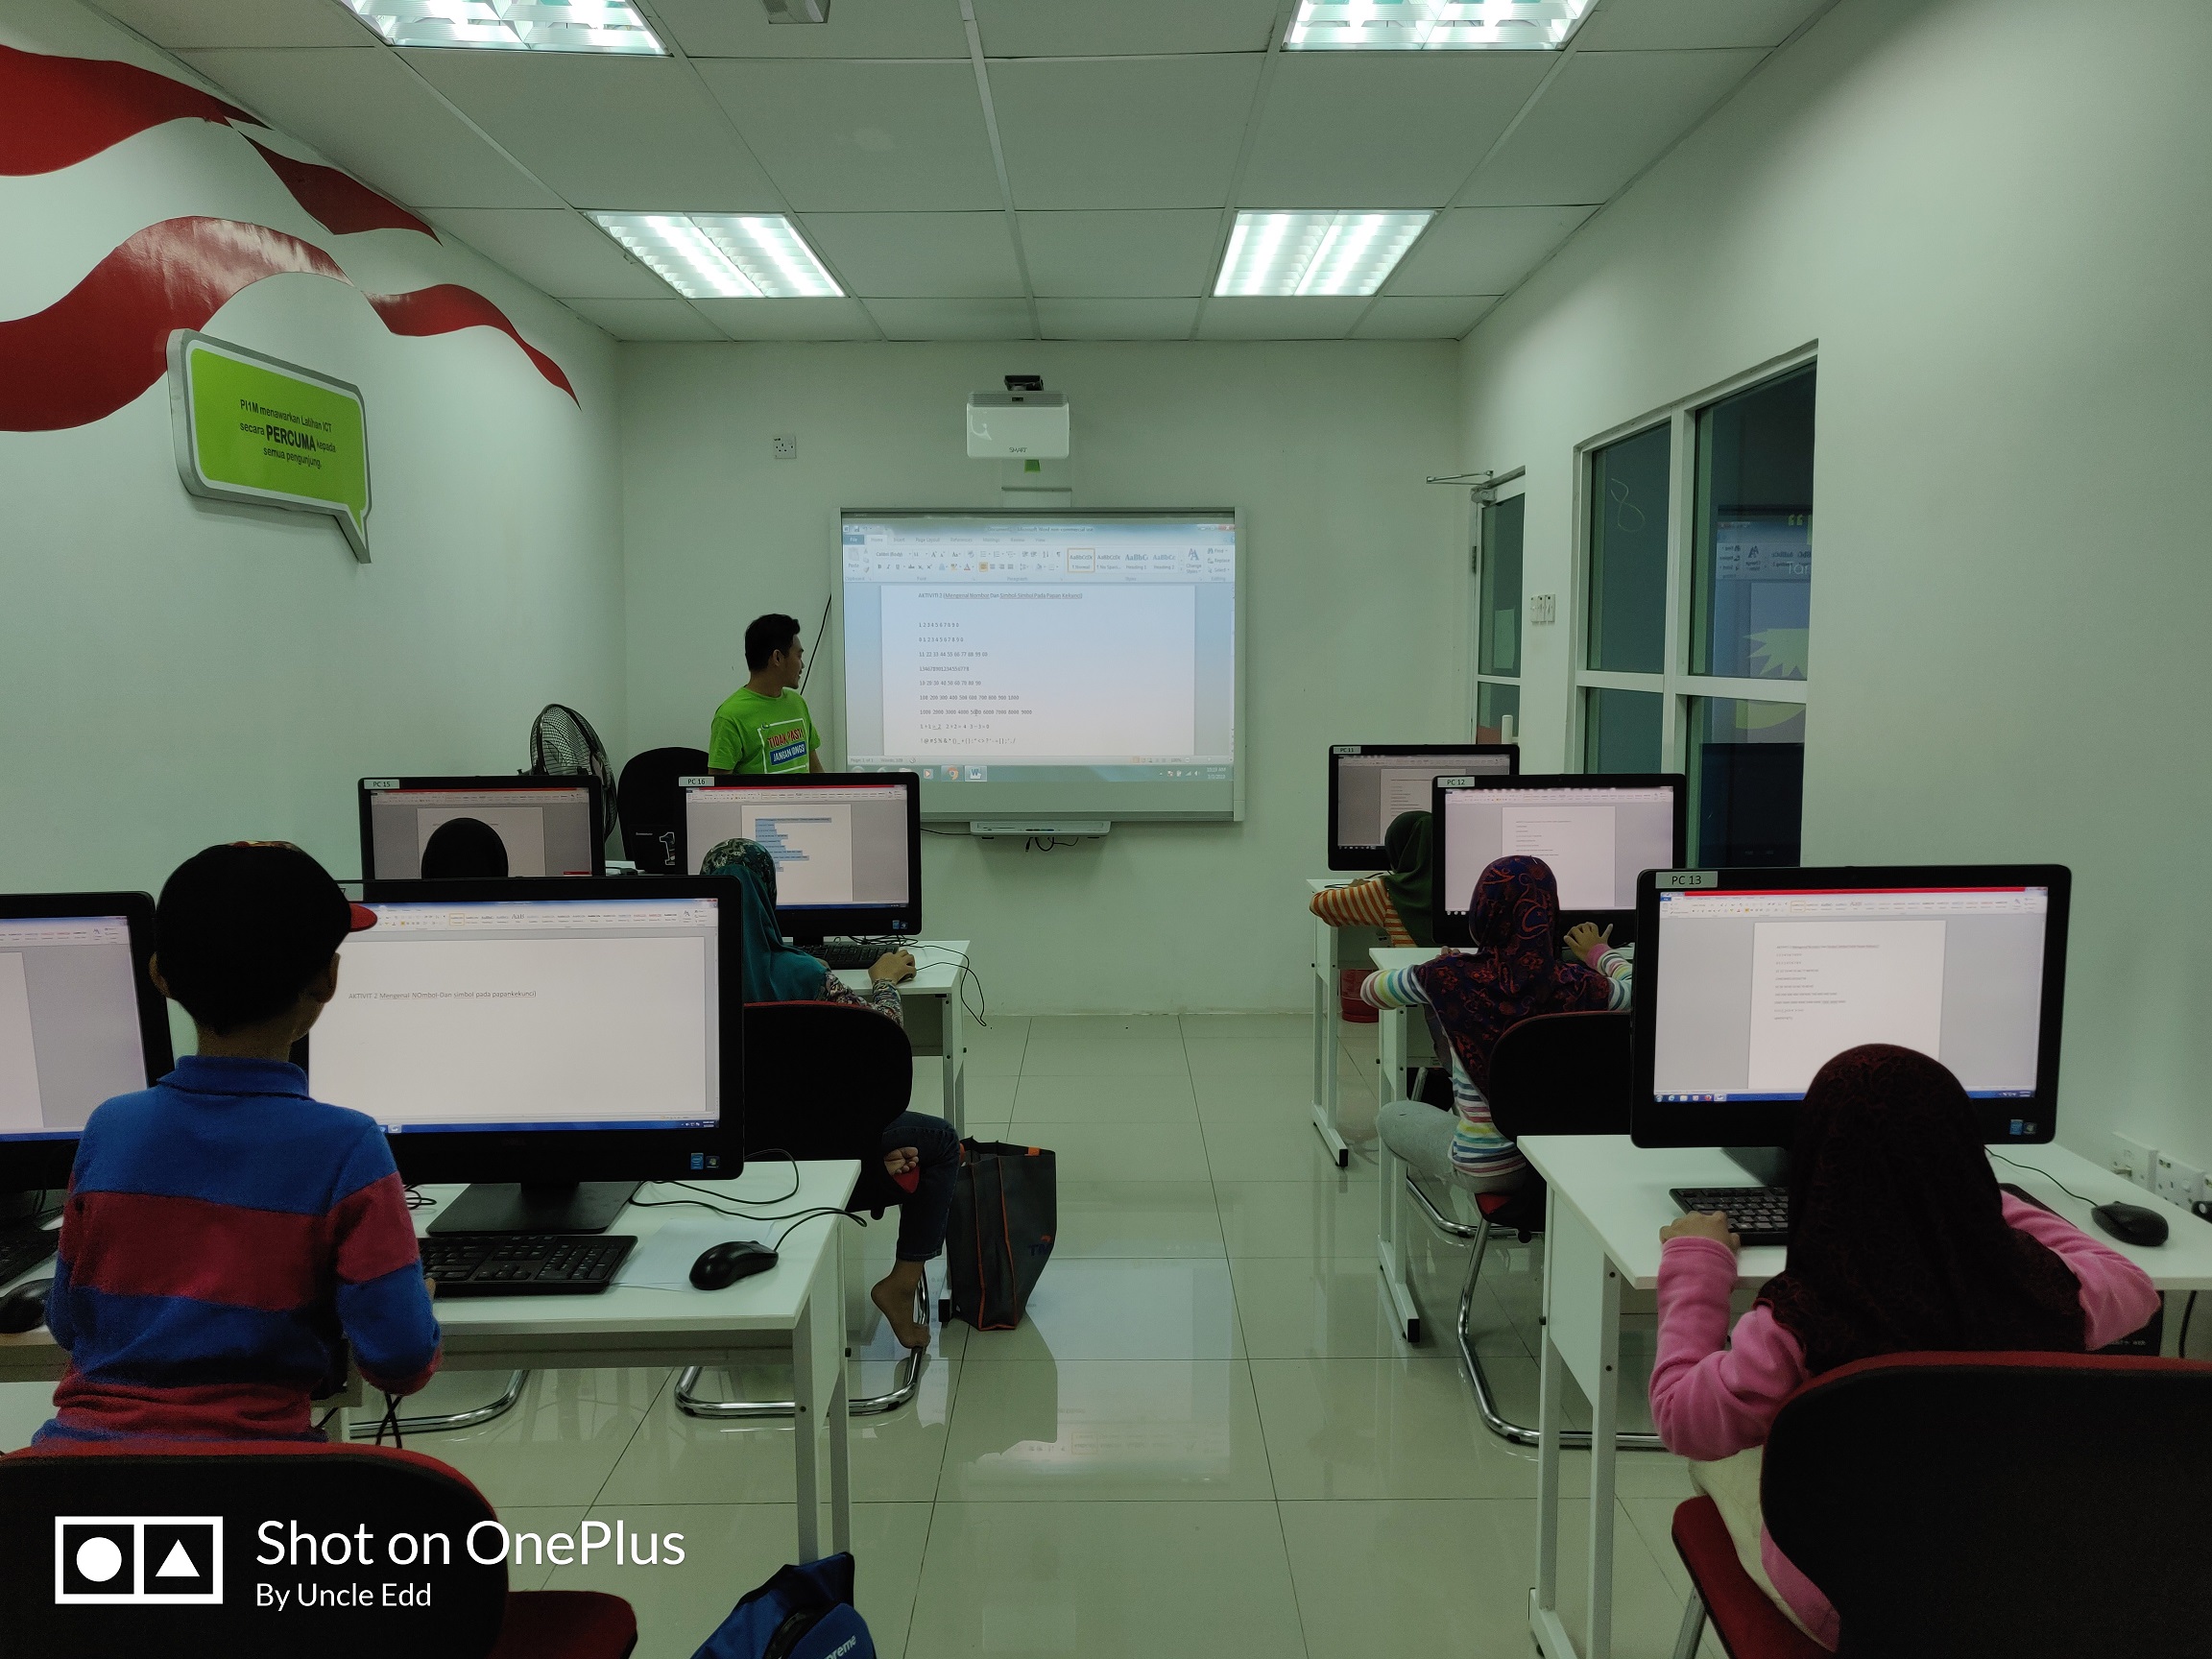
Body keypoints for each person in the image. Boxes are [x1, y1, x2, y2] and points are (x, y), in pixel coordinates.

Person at [1649, 1045, 2158, 1649]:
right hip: (2018, 1592)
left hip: (1851, 1608)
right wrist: (1965, 1201)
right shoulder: (2053, 1294)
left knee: (1719, 1458)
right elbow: (2132, 1282)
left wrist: (1697, 1258)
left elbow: (1680, 1416)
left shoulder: (1799, 1322)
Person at [39, 843, 442, 1443]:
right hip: (258, 1480)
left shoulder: (111, 1126)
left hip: (77, 1475)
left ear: (159, 975)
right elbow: (399, 1361)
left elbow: (68, 1322)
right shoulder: (347, 1145)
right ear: (327, 979)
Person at [700, 836, 954, 1352]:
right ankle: (901, 1284)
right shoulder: (804, 973)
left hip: (725, 1164)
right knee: (943, 1142)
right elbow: (883, 1037)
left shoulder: (688, 977)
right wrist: (884, 980)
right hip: (841, 1157)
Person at [1362, 854, 1629, 1190]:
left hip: (1489, 1168)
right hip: (1564, 1161)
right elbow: (1640, 990)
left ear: (1481, 911)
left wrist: (1438, 970)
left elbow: (1370, 991)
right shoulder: (1581, 984)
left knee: (1393, 1114)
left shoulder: (1448, 977)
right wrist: (1599, 952)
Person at [709, 613, 826, 776]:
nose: (802, 665)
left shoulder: (797, 703)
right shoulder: (730, 717)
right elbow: (718, 787)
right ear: (777, 658)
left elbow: (816, 771)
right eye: (799, 656)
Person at [1309, 809, 1436, 948]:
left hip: (1414, 963)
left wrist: (1353, 889)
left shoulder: (1388, 892)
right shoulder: (1453, 892)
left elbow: (1319, 904)